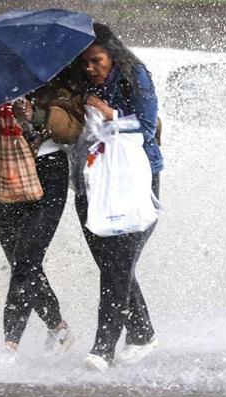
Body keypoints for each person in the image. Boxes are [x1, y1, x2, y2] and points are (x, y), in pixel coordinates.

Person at [70, 23, 164, 372]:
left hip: (134, 179)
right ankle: (141, 333)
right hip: (90, 181)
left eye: (96, 60)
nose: (91, 69)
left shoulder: (134, 75)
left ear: (113, 55)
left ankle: (102, 349)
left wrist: (109, 114)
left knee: (118, 264)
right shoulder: (78, 86)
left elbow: (147, 123)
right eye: (84, 63)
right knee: (111, 265)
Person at [0, 73, 85, 364]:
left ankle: (10, 345)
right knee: (19, 261)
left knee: (26, 258)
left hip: (49, 172)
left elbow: (72, 130)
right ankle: (59, 328)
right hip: (7, 167)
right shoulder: (0, 79)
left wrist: (35, 113)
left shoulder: (62, 77)